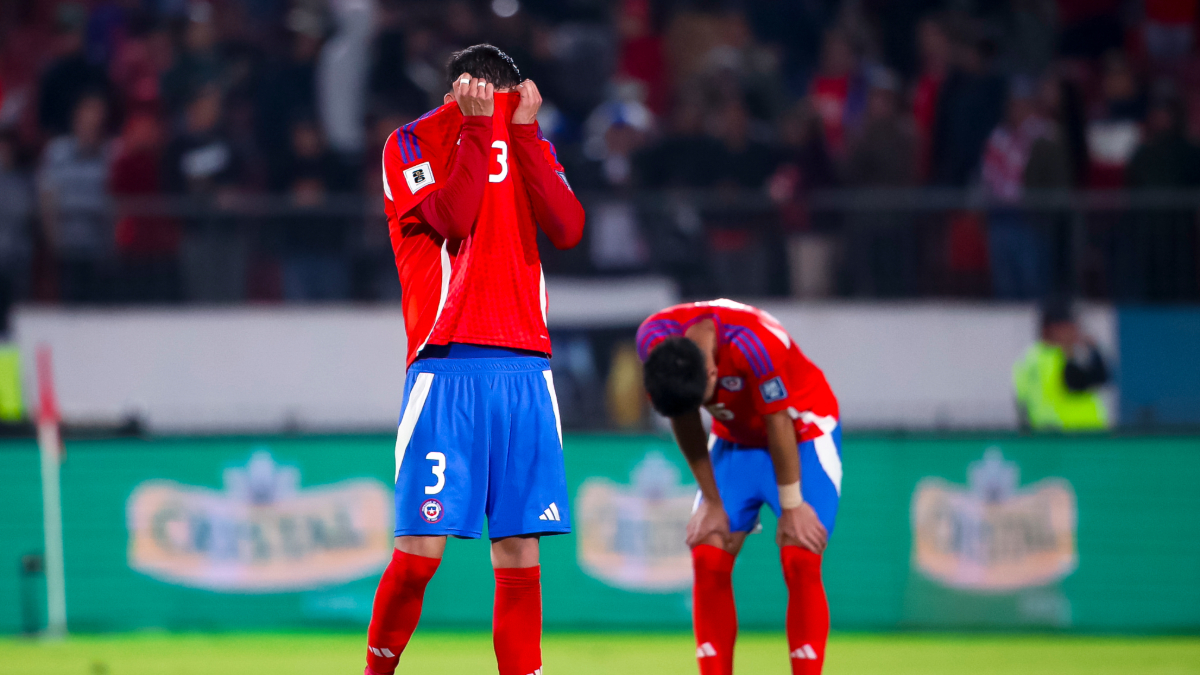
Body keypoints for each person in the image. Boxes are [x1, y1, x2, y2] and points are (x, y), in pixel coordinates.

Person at [366, 45, 584, 675]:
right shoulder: (408, 143)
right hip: (446, 364)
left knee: (519, 552)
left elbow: (568, 227)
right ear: (462, 90)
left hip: (526, 368)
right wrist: (475, 127)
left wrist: (528, 135)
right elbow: (455, 219)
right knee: (420, 552)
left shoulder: (523, 138)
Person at [636, 299, 841, 675]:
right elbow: (684, 418)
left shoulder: (755, 344)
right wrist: (712, 501)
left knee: (800, 555)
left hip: (802, 433)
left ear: (713, 373)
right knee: (708, 549)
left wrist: (792, 504)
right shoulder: (655, 339)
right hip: (736, 441)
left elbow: (778, 422)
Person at [1013, 297, 1110, 430]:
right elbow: (1095, 379)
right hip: (1076, 435)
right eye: (1071, 326)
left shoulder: (1026, 360)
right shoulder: (1058, 357)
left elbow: (1021, 405)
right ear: (1055, 329)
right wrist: (1093, 350)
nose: (1076, 331)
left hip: (1043, 437)